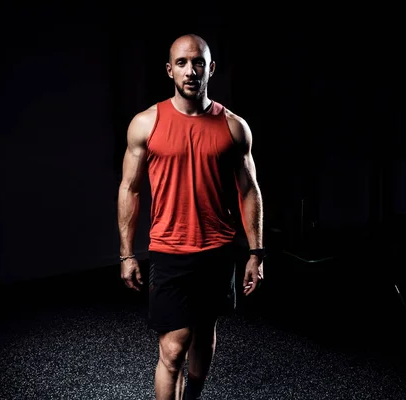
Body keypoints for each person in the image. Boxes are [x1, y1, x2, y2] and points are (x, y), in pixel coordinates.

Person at [117, 33, 265, 400]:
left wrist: (256, 252)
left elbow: (250, 189)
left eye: (198, 62)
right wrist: (127, 254)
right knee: (173, 349)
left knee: (203, 338)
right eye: (182, 63)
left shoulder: (234, 127)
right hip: (169, 251)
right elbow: (129, 190)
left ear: (211, 68)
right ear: (169, 70)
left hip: (216, 251)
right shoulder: (145, 124)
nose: (191, 70)